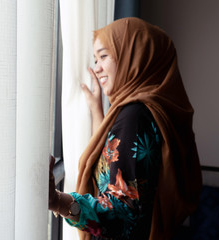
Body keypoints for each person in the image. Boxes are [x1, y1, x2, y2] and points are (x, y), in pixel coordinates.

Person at [48, 17, 202, 240]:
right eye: (95, 59)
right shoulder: (154, 111)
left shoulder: (134, 117)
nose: (97, 67)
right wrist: (97, 111)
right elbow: (119, 159)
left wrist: (57, 201)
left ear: (134, 57)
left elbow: (121, 215)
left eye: (103, 56)